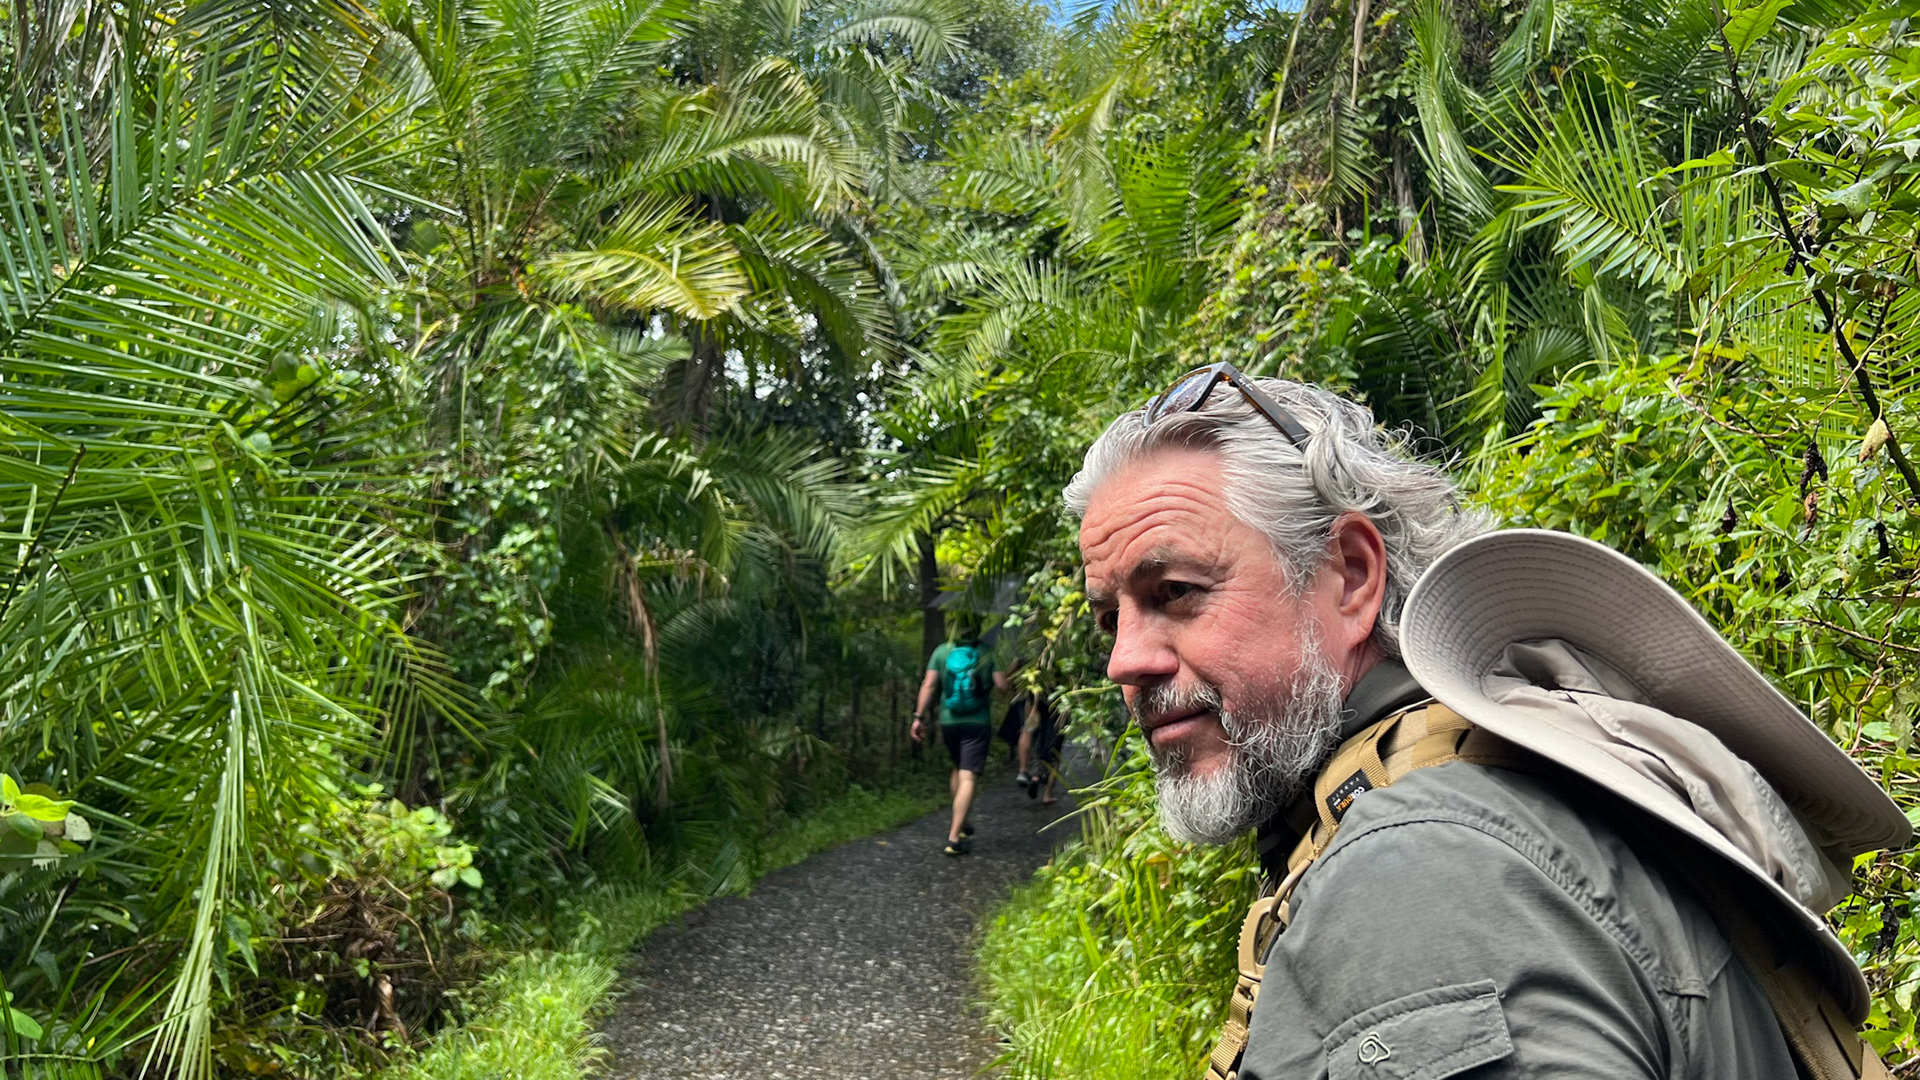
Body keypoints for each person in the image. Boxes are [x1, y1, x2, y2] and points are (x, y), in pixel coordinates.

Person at [1064, 362, 1908, 1079]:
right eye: (1109, 618)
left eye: (1175, 592)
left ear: (1351, 576)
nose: (1124, 660)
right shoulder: (1494, 793)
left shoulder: (1419, 880)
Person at [912, 615, 1009, 857]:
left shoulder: (941, 651)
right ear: (977, 628)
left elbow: (928, 685)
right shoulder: (988, 651)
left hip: (949, 721)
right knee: (968, 775)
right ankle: (954, 838)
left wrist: (918, 717)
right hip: (977, 722)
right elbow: (1001, 685)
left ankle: (963, 821)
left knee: (958, 767)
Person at [1014, 685, 1060, 804]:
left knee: (1039, 745)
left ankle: (1036, 777)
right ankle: (1047, 794)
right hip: (1057, 703)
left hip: (1039, 704)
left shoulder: (1036, 683)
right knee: (1054, 751)